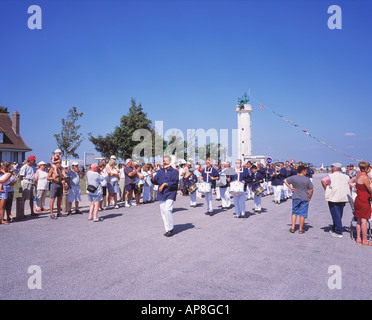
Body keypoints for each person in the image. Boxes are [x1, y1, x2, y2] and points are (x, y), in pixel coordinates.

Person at [150, 155, 179, 237]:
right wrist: (151, 176)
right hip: (162, 193)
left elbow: (175, 183)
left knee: (167, 210)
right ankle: (167, 229)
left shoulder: (174, 171)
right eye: (163, 161)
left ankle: (170, 229)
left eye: (165, 161)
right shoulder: (160, 171)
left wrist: (165, 184)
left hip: (171, 193)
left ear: (169, 162)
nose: (164, 162)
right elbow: (155, 181)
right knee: (163, 212)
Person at [321, 163, 351, 238]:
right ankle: (335, 228)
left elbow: (323, 181)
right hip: (343, 197)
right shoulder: (346, 176)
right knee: (339, 213)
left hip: (334, 197)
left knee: (335, 213)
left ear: (334, 168)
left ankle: (338, 231)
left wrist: (326, 188)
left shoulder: (331, 176)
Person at [284, 165, 314, 234]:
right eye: (305, 171)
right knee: (302, 213)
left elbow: (285, 180)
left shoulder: (294, 177)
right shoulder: (307, 179)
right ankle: (300, 229)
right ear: (303, 171)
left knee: (294, 212)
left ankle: (293, 228)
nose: (306, 172)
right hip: (304, 198)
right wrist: (309, 197)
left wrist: (290, 187)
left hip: (296, 197)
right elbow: (311, 189)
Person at [350, 162, 372, 246]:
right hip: (364, 200)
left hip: (358, 199)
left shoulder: (358, 176)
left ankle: (358, 238)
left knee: (358, 220)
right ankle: (365, 240)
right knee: (364, 220)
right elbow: (370, 190)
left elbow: (350, 181)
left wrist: (355, 188)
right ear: (366, 169)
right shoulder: (365, 177)